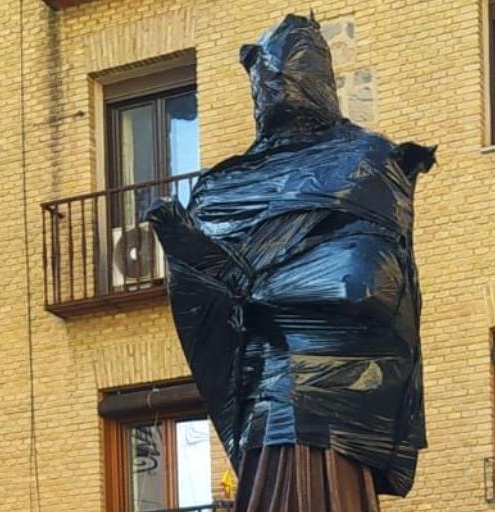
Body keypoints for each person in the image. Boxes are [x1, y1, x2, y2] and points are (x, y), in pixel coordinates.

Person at [148, 13, 434, 512]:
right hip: (267, 388)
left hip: (337, 392)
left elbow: (365, 279)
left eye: (292, 77)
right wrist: (187, 249)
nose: (279, 92)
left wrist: (246, 281)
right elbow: (215, 305)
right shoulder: (225, 185)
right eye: (269, 82)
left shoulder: (366, 160)